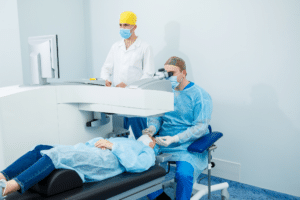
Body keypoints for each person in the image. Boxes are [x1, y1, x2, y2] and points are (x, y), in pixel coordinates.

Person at [143, 56, 213, 200]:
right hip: (162, 140)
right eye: (166, 73)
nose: (168, 77)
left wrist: (175, 138)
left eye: (172, 73)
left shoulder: (200, 95)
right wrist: (151, 129)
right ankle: (158, 197)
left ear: (184, 73)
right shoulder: (164, 92)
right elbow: (157, 117)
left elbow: (200, 127)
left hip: (187, 144)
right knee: (140, 161)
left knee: (183, 174)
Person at [0, 135, 156, 198]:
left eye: (152, 136)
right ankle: (3, 176)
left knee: (57, 154)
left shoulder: (147, 150)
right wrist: (101, 143)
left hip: (107, 160)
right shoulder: (126, 139)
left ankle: (8, 187)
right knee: (40, 148)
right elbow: (98, 141)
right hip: (90, 150)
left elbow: (137, 165)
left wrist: (113, 146)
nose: (149, 134)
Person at [100, 11, 155, 140]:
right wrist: (106, 80)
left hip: (136, 98)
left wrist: (129, 87)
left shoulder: (145, 47)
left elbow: (148, 74)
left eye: (126, 25)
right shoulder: (116, 47)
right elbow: (106, 68)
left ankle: (147, 158)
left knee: (142, 137)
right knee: (119, 135)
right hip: (118, 96)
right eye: (120, 25)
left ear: (134, 27)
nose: (122, 28)